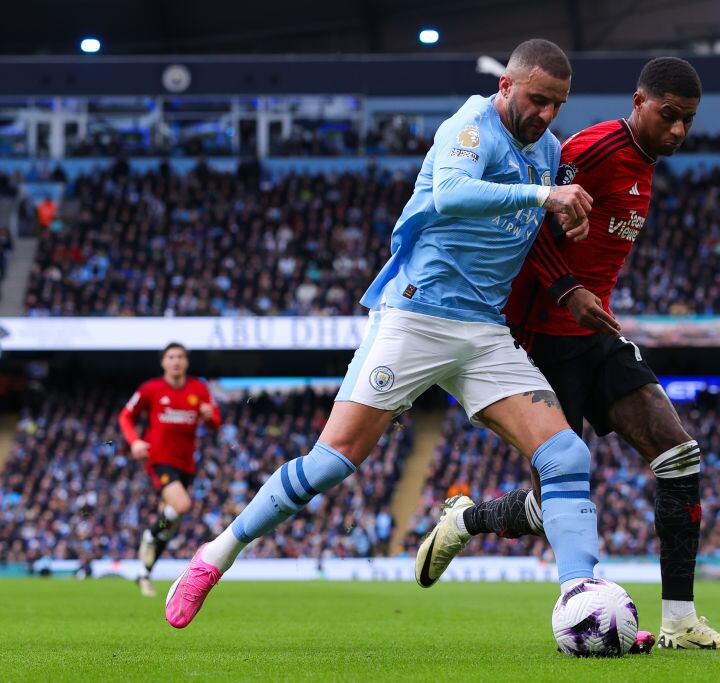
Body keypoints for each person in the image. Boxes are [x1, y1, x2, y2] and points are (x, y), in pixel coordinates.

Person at [165, 38, 601, 630]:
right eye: (537, 99)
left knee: (567, 456)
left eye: (558, 104)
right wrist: (544, 195)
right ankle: (214, 557)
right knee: (332, 462)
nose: (547, 115)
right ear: (507, 87)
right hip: (416, 318)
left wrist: (567, 261)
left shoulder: (547, 150)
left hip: (483, 333)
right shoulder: (471, 124)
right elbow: (449, 193)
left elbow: (535, 225)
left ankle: (582, 599)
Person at [415, 57, 720, 651]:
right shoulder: (595, 148)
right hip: (543, 336)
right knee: (553, 503)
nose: (677, 131)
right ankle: (465, 520)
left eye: (688, 122)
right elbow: (531, 223)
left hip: (593, 337)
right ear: (639, 101)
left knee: (679, 456)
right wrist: (569, 290)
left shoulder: (645, 167)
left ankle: (679, 621)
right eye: (668, 116)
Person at [118, 342, 221, 597]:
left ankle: (144, 573)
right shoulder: (151, 389)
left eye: (180, 357)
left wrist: (209, 416)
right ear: (163, 362)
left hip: (187, 464)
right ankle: (149, 535)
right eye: (171, 357)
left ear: (186, 362)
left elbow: (216, 423)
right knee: (182, 506)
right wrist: (135, 441)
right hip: (160, 460)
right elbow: (125, 416)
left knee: (169, 523)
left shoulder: (199, 389)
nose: (176, 361)